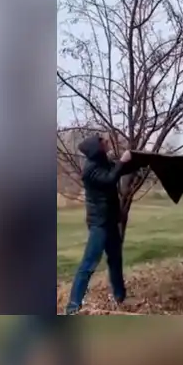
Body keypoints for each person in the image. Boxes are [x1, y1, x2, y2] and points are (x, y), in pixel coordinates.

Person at [63, 134, 135, 315]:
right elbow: (111, 178)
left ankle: (120, 297)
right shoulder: (91, 170)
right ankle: (72, 307)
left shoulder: (102, 163)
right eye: (104, 141)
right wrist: (122, 162)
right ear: (97, 148)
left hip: (110, 221)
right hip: (99, 225)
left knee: (115, 260)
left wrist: (137, 161)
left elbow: (118, 170)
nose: (108, 142)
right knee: (88, 265)